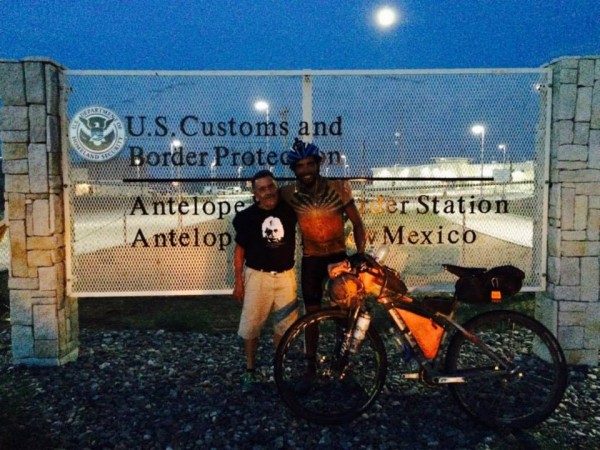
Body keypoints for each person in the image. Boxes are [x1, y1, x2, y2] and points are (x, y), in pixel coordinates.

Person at [280, 138, 366, 377]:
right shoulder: (288, 193)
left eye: (309, 164)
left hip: (338, 257)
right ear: (294, 169)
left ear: (318, 164)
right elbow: (266, 206)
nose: (305, 170)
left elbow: (358, 224)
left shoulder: (338, 188)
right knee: (311, 316)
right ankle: (310, 366)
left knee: (343, 314)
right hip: (312, 259)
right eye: (299, 166)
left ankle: (343, 366)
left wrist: (359, 255)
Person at [232, 169, 299, 393]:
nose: (268, 192)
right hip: (257, 276)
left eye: (271, 187)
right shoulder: (246, 218)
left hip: (285, 277)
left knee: (285, 325)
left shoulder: (289, 210)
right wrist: (238, 282)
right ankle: (250, 371)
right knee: (251, 325)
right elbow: (239, 251)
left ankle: (279, 368)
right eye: (262, 189)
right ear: (255, 193)